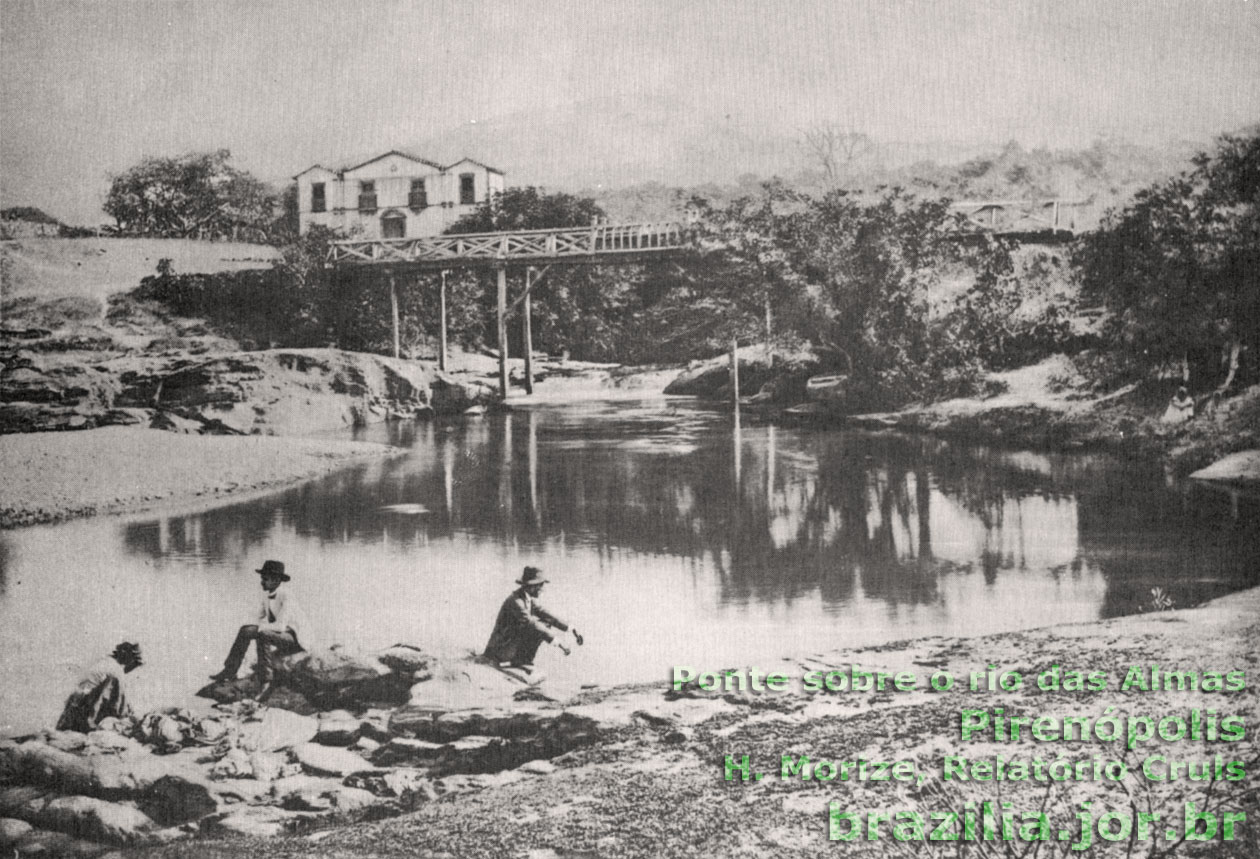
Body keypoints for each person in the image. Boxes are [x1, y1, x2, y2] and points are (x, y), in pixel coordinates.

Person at [209, 560, 307, 699]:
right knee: (246, 630)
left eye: (265, 579)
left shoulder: (286, 596)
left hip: (296, 639)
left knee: (263, 634)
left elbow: (280, 626)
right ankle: (230, 670)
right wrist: (246, 628)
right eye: (262, 578)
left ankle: (266, 680)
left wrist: (259, 628)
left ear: (276, 580)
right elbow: (258, 618)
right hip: (283, 634)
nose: (261, 582)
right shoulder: (268, 595)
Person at [483, 566, 582, 672]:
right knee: (538, 627)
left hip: (510, 644)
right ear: (532, 586)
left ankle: (523, 659)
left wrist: (570, 628)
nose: (543, 589)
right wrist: (559, 643)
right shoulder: (516, 601)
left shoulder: (525, 597)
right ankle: (521, 660)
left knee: (544, 623)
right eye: (541, 586)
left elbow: (546, 614)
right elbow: (530, 623)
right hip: (498, 650)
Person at [57, 641, 142, 732]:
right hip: (86, 712)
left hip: (73, 708)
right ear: (127, 656)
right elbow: (119, 704)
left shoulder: (104, 661)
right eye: (133, 661)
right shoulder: (116, 670)